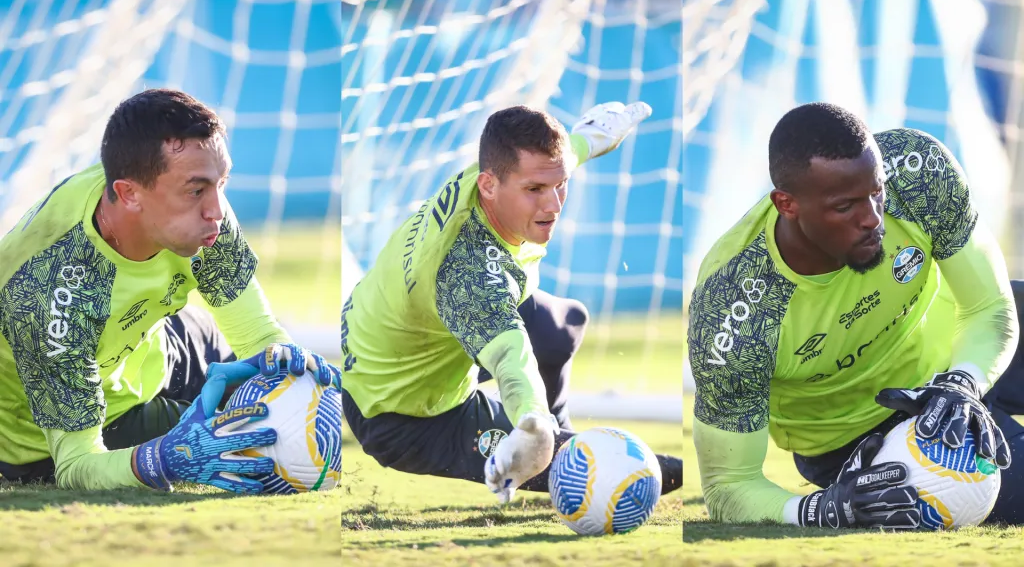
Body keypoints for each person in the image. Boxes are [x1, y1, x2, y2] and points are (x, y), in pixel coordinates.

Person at [688, 101, 1023, 529]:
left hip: (964, 354)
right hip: (860, 436)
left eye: (876, 191)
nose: (873, 218)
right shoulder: (734, 311)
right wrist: (819, 509)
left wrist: (963, 381)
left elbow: (988, 307)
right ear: (786, 204)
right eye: (845, 207)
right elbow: (728, 487)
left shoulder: (916, 171)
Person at [0, 88, 339, 493]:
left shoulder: (191, 200)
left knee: (288, 405)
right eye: (197, 190)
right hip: (58, 430)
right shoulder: (49, 294)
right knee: (252, 448)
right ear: (128, 195)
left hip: (157, 344)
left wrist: (286, 376)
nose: (216, 209)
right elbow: (77, 464)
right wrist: (160, 459)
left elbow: (258, 335)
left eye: (221, 183)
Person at [341, 102, 683, 502]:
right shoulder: (467, 273)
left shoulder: (494, 176)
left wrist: (590, 140)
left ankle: (556, 430)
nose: (553, 205)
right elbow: (510, 357)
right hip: (403, 415)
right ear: (489, 185)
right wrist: (531, 424)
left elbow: (559, 158)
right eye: (535, 191)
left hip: (400, 339)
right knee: (640, 475)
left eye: (560, 185)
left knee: (562, 325)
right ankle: (548, 441)